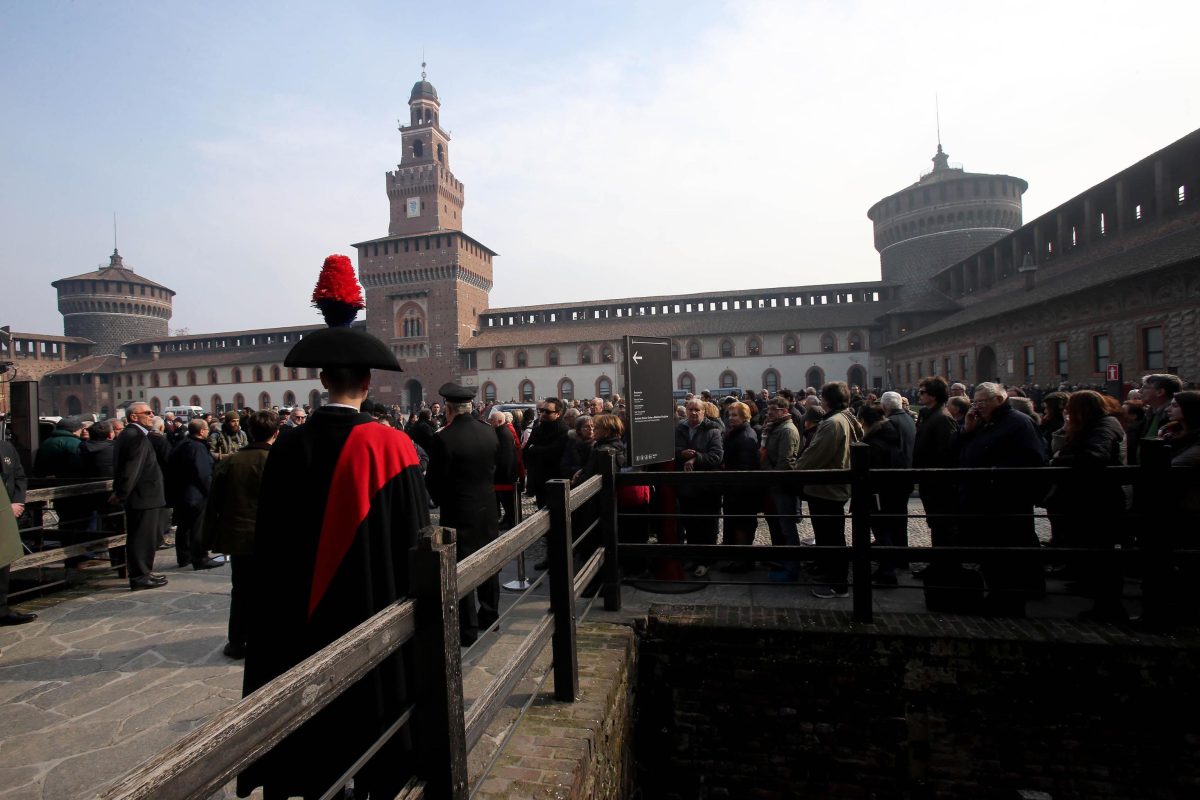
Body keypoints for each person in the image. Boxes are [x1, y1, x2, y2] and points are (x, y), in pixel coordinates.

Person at [239, 254, 429, 799]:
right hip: (370, 600)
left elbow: (270, 533)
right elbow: (414, 538)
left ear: (321, 379)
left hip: (297, 605)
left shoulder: (288, 446)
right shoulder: (392, 445)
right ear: (368, 382)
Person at [957, 382, 1047, 616]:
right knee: (991, 553)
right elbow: (959, 450)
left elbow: (1034, 459)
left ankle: (1009, 602)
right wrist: (967, 430)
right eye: (975, 402)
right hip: (983, 498)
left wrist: (995, 473)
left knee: (1008, 553)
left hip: (1006, 499)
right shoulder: (983, 422)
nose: (977, 406)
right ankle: (998, 595)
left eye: (982, 402)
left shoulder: (1019, 423)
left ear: (999, 400)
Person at [425, 382, 501, 646]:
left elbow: (434, 480)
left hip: (458, 510)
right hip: (488, 507)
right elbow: (496, 467)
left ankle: (467, 629)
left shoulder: (443, 438)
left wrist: (444, 500)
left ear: (448, 409)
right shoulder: (489, 431)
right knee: (489, 561)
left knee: (461, 567)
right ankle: (490, 616)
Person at [203, 410, 280, 660]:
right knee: (273, 590)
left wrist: (207, 538)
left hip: (239, 538)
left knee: (242, 591)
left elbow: (213, 503)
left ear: (249, 432)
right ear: (276, 433)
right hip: (274, 538)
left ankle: (237, 641)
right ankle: (271, 639)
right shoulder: (283, 461)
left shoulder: (231, 461)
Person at [1046, 390, 1127, 620]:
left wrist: (1059, 460)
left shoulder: (1104, 425)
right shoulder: (1099, 424)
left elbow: (1095, 456)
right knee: (1095, 550)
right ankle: (1097, 594)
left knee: (1103, 552)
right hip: (1090, 499)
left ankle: (1108, 606)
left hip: (1099, 499)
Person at [797, 382, 864, 599]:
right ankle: (830, 573)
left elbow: (815, 455)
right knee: (828, 536)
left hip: (827, 488)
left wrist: (796, 469)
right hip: (832, 487)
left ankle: (838, 583)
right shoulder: (845, 417)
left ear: (826, 400)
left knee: (832, 537)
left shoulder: (833, 423)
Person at [109, 402, 168, 591]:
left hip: (144, 495)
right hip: (144, 496)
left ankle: (144, 573)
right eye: (148, 413)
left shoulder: (132, 435)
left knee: (144, 536)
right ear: (134, 417)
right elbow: (131, 470)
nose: (152, 415)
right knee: (142, 538)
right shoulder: (135, 437)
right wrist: (121, 493)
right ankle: (141, 576)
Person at [912, 376, 959, 579]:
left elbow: (947, 452)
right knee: (936, 525)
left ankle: (945, 567)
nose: (919, 395)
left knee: (942, 526)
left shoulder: (942, 418)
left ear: (933, 395)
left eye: (922, 392)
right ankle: (938, 564)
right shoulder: (931, 415)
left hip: (938, 483)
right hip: (929, 479)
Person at [858, 403, 908, 586]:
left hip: (879, 496)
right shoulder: (889, 435)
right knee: (887, 530)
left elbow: (872, 474)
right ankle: (888, 567)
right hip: (892, 491)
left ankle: (887, 573)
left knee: (882, 531)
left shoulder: (875, 442)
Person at [675, 397, 724, 577]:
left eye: (698, 410)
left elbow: (717, 456)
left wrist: (696, 458)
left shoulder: (713, 430)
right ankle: (694, 557)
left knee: (707, 525)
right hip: (686, 487)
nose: (694, 413)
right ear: (686, 411)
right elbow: (671, 450)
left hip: (706, 487)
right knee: (690, 524)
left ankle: (706, 560)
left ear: (704, 412)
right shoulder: (679, 428)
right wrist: (681, 453)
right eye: (691, 410)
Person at [166, 418, 220, 570]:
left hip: (182, 493)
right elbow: (203, 473)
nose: (208, 432)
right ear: (202, 431)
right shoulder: (197, 447)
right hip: (195, 494)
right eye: (207, 430)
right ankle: (200, 558)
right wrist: (211, 493)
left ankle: (184, 557)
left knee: (184, 527)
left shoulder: (183, 443)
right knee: (197, 528)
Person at [719, 401, 761, 573]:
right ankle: (739, 559)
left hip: (742, 491)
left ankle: (743, 562)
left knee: (742, 524)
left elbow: (744, 467)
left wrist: (734, 488)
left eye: (735, 415)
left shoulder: (745, 437)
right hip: (735, 488)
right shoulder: (737, 433)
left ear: (745, 416)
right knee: (737, 524)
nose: (730, 418)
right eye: (729, 415)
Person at [761, 397, 800, 580]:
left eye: (773, 409)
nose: (769, 412)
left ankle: (792, 569)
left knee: (788, 528)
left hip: (782, 485)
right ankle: (787, 562)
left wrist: (769, 474)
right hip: (775, 483)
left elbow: (785, 462)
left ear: (784, 411)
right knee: (783, 526)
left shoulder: (787, 430)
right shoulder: (775, 428)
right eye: (768, 409)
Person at [0, 438, 35, 625]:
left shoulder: (6, 446)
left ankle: (2, 609)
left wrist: (17, 501)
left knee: (4, 564)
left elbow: (19, 475)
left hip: (8, 514)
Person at [1131, 373, 1182, 463]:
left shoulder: (1176, 419)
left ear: (1160, 392)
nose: (1140, 391)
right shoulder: (1149, 414)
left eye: (1145, 387)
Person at [489, 409, 520, 530]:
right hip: (504, 474)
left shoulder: (503, 434)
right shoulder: (500, 431)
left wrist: (502, 474)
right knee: (505, 500)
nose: (490, 421)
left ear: (500, 421)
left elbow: (506, 457)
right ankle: (507, 519)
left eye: (492, 420)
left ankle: (511, 521)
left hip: (505, 475)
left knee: (507, 501)